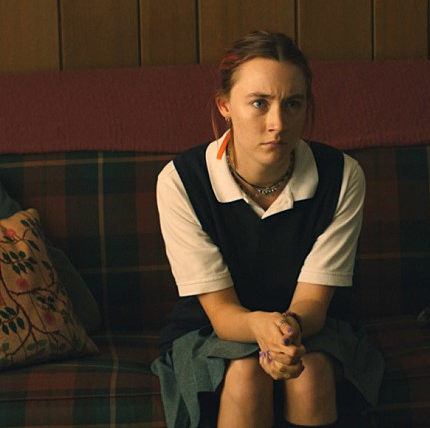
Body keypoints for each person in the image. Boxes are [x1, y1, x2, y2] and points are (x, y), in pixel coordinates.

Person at [151, 30, 384, 428]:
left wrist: (286, 332)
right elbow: (221, 313)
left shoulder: (342, 176)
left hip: (312, 327)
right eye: (259, 103)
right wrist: (263, 329)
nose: (278, 124)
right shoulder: (181, 181)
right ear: (225, 105)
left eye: (292, 104)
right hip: (212, 328)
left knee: (309, 373)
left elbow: (313, 304)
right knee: (246, 372)